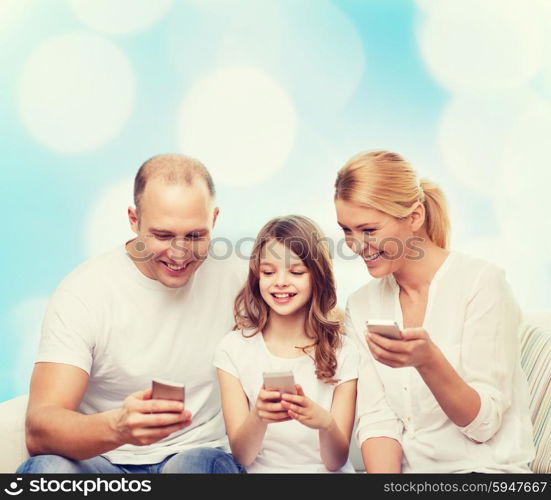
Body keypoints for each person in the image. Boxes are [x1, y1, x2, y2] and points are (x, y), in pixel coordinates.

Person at [17, 154, 246, 474]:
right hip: (102, 462)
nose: (180, 253)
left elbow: (313, 315)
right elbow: (40, 429)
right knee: (45, 469)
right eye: (163, 236)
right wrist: (118, 428)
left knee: (198, 467)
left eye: (195, 236)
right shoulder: (84, 292)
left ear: (214, 220)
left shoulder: (240, 279)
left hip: (194, 455)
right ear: (133, 220)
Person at [334, 150, 535, 473]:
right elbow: (378, 421)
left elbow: (483, 425)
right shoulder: (361, 305)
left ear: (415, 217)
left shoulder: (482, 284)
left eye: (369, 230)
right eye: (346, 230)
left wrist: (428, 361)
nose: (355, 245)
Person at [213, 215, 359, 473]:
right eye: (268, 272)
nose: (280, 282)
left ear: (318, 277)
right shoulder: (233, 348)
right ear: (257, 276)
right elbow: (243, 457)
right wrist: (259, 415)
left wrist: (325, 423)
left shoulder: (344, 350)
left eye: (296, 272)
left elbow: (335, 461)